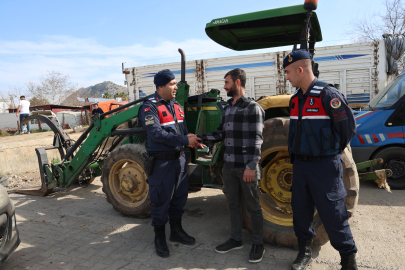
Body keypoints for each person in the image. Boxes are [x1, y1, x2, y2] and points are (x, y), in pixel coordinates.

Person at [283, 50, 358, 270]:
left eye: (288, 72)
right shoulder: (295, 100)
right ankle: (305, 251)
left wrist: (330, 152)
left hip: (324, 166)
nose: (286, 77)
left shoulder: (328, 95)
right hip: (301, 167)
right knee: (301, 211)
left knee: (333, 214)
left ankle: (348, 260)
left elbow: (348, 130)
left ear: (300, 69)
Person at [197, 68, 265, 263]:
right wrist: (198, 138)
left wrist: (252, 165)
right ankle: (236, 239)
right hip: (229, 166)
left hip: (246, 167)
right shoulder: (228, 108)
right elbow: (220, 134)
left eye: (226, 83)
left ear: (237, 82)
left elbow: (257, 140)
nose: (224, 86)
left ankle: (258, 243)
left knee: (253, 206)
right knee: (233, 204)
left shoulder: (253, 108)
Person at [139, 69, 204, 258]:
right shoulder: (149, 107)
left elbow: (181, 131)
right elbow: (156, 134)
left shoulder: (176, 106)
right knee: (160, 202)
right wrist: (185, 141)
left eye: (175, 84)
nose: (176, 87)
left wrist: (192, 140)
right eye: (172, 84)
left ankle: (176, 232)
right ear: (160, 86)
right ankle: (159, 238)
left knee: (179, 199)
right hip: (162, 164)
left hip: (179, 161)